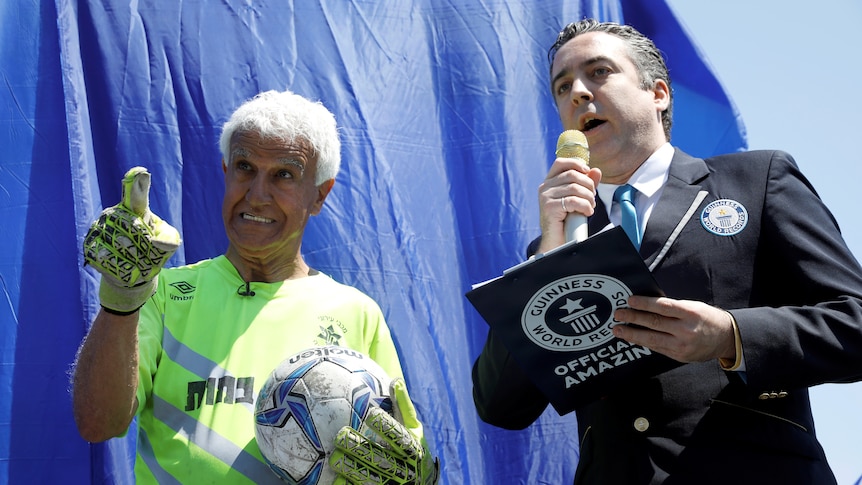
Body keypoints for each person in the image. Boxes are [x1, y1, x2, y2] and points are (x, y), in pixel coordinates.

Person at [472, 19, 862, 485]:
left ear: (658, 93)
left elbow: (854, 320)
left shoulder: (756, 181)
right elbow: (499, 406)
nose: (577, 92)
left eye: (598, 72)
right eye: (562, 86)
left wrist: (731, 337)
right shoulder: (555, 243)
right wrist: (546, 257)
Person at [71, 89, 438, 484]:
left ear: (319, 195)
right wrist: (122, 300)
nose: (257, 195)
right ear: (226, 173)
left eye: (284, 175)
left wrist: (418, 477)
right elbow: (97, 424)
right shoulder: (160, 292)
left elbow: (395, 457)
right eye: (245, 167)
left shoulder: (356, 313)